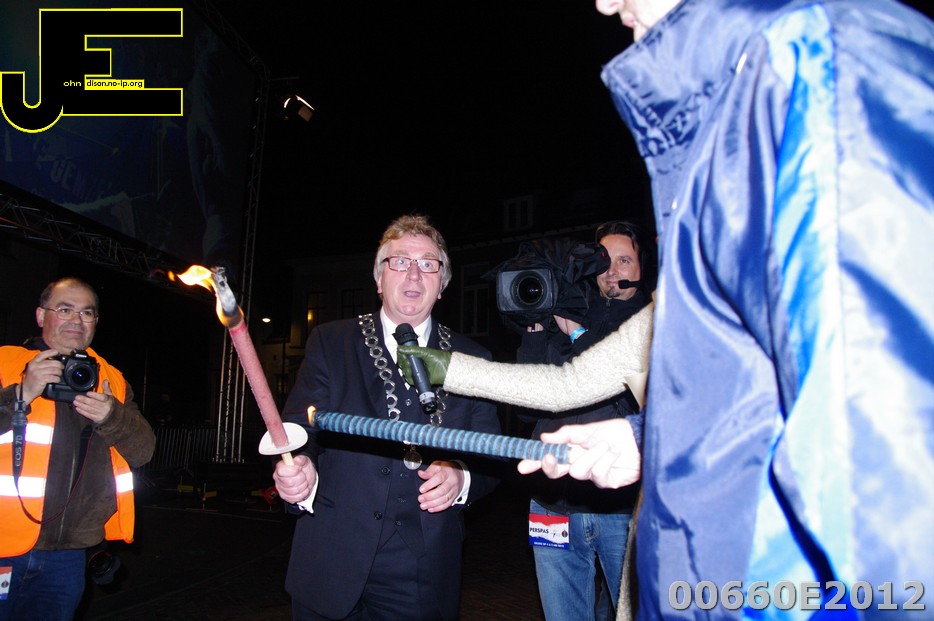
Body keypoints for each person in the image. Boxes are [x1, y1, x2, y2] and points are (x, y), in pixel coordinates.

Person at [401, 0, 934, 617]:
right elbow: (570, 384)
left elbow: (876, 438)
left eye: (625, 260)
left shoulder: (817, 70)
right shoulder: (724, 135)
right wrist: (450, 368)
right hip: (689, 564)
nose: (604, 3)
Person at [272, 214, 502, 621]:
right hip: (331, 553)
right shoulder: (331, 341)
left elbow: (492, 456)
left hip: (422, 570)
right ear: (379, 279)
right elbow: (299, 427)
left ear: (442, 284)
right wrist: (301, 462)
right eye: (399, 262)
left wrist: (462, 476)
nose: (414, 273)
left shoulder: (474, 359)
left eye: (428, 264)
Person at [517, 221, 651, 621]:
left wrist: (578, 334)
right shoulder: (566, 312)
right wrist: (536, 329)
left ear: (641, 268)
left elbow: (624, 391)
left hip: (620, 508)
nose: (611, 270)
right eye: (603, 261)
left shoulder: (652, 321)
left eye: (624, 260)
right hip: (552, 502)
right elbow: (527, 409)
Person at [0, 277, 155, 621]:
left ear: (96, 321)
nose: (76, 320)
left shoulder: (111, 379)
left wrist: (112, 417)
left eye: (87, 312)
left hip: (67, 556)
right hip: (3, 545)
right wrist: (21, 394)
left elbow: (144, 451)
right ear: (41, 315)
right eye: (64, 309)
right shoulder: (5, 363)